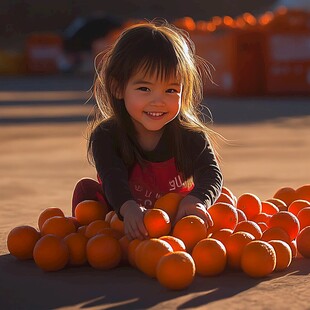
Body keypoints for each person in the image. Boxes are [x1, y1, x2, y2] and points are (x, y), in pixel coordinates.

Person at [72, 20, 223, 240]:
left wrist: (197, 200)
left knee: (219, 201)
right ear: (118, 87)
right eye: (144, 88)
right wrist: (127, 207)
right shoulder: (107, 136)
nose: (158, 101)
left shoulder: (191, 136)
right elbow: (112, 177)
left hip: (173, 216)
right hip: (121, 215)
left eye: (171, 90)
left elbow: (211, 173)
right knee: (87, 198)